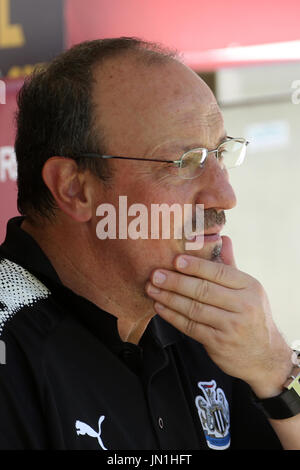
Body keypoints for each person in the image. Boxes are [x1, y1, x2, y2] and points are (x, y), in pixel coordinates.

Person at [0, 37, 299, 451]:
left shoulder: (205, 319)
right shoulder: (11, 345)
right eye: (185, 162)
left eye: (218, 154)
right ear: (74, 189)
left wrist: (277, 372)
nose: (225, 195)